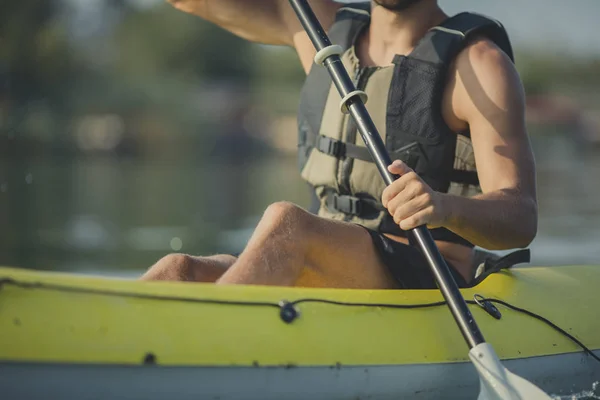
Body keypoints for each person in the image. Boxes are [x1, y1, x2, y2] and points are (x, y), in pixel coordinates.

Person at [141, 0, 537, 289]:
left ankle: (208, 343)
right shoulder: (321, 29)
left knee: (287, 223)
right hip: (322, 251)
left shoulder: (480, 66)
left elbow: (520, 218)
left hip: (428, 267)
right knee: (178, 270)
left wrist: (444, 207)